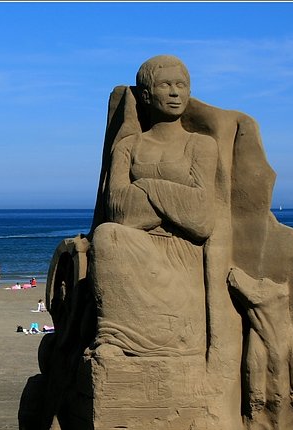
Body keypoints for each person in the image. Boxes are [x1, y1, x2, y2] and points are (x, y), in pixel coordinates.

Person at [89, 54, 217, 356]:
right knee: (108, 236)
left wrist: (145, 186)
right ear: (146, 95)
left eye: (181, 85)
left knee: (111, 235)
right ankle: (118, 338)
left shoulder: (200, 145)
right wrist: (172, 202)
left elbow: (200, 218)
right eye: (166, 85)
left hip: (182, 256)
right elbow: (119, 211)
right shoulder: (128, 146)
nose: (175, 93)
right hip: (136, 249)